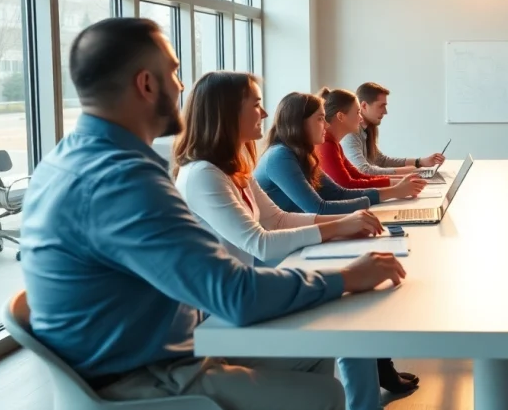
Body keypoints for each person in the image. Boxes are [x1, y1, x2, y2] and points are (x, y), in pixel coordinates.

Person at [19, 17, 405, 410]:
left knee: (321, 345)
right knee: (324, 393)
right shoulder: (122, 179)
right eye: (173, 72)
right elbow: (234, 294)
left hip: (146, 354)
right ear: (146, 84)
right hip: (142, 376)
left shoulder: (69, 162)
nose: (181, 86)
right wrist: (346, 278)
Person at [172, 71, 409, 410]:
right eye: (255, 105)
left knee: (343, 329)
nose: (265, 114)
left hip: (242, 300)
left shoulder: (233, 165)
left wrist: (342, 225)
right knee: (342, 327)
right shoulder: (203, 176)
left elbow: (277, 219)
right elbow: (261, 243)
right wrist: (339, 227)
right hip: (223, 317)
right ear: (227, 113)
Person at [255, 92, 427, 216]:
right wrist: (393, 192)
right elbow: (318, 209)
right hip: (283, 254)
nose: (327, 125)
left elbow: (339, 194)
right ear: (300, 123)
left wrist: (395, 190)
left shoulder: (302, 155)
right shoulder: (280, 157)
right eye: (320, 119)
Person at [341, 82, 444, 176]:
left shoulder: (368, 129)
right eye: (381, 106)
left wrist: (420, 162)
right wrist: (408, 171)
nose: (385, 112)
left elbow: (381, 161)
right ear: (364, 106)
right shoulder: (350, 134)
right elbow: (363, 170)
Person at [316, 87, 404, 190]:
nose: (361, 118)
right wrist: (395, 187)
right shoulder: (326, 146)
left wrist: (397, 181)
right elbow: (347, 185)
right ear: (340, 116)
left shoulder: (335, 145)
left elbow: (358, 176)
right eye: (358, 112)